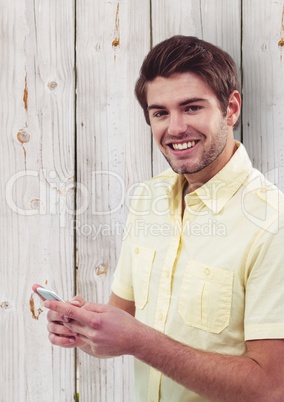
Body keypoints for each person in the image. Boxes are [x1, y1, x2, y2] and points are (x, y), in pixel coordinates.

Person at [33, 36, 284, 402]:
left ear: (231, 109)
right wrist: (83, 329)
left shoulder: (272, 224)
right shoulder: (148, 198)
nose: (176, 128)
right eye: (160, 113)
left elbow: (271, 387)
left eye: (192, 107)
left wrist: (140, 341)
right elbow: (121, 321)